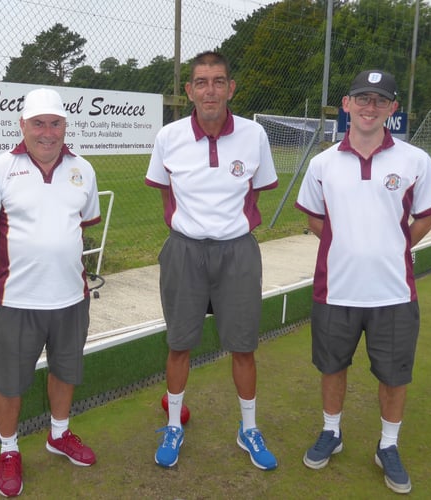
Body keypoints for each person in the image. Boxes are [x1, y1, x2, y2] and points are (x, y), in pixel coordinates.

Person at [295, 69, 431, 494]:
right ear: (347, 104)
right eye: (362, 98)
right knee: (332, 366)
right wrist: (344, 242)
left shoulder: (414, 160)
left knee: (394, 375)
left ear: (392, 109)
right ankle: (332, 432)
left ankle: (388, 445)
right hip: (336, 288)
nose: (369, 107)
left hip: (393, 291)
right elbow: (313, 216)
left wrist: (393, 246)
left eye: (380, 100)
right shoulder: (323, 162)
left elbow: (427, 217)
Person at [145, 51, 279, 471]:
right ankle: (173, 425)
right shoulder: (168, 137)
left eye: (218, 81)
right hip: (184, 251)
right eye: (201, 82)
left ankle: (249, 429)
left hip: (237, 252)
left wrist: (227, 229)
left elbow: (256, 193)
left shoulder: (254, 135)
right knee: (179, 343)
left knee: (243, 346)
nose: (210, 90)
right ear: (189, 91)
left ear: (230, 88)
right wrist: (193, 231)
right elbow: (166, 196)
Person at [0, 87, 101, 497]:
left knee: (66, 371)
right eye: (39, 123)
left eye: (56, 123)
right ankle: (9, 450)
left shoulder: (83, 169)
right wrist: (12, 268)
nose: (48, 132)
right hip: (19, 300)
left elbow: (83, 225)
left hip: (71, 297)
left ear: (66, 125)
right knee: (9, 382)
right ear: (22, 125)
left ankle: (58, 435)